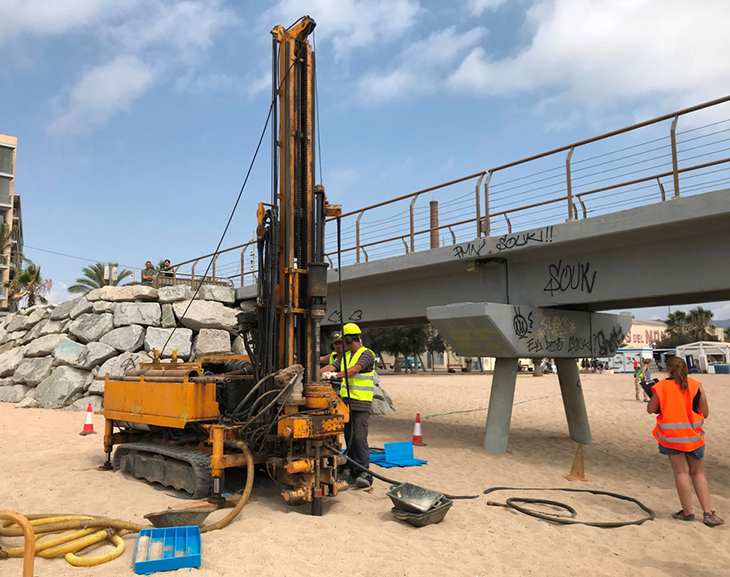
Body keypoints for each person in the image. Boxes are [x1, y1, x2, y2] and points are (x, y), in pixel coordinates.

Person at [647, 357, 723, 527]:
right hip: (694, 437)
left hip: (671, 437)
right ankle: (708, 513)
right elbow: (705, 412)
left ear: (668, 369)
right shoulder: (696, 385)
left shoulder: (661, 387)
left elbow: (651, 409)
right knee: (698, 473)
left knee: (681, 473)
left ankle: (687, 513)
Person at [320, 322, 375, 489]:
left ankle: (364, 472)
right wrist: (318, 372)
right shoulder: (347, 356)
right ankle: (352, 469)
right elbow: (332, 365)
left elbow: (354, 370)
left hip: (361, 403)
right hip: (346, 404)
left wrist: (335, 375)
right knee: (349, 437)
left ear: (350, 339)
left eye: (343, 340)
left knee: (359, 438)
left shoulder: (366, 354)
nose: (341, 344)